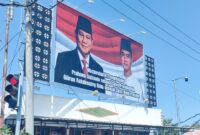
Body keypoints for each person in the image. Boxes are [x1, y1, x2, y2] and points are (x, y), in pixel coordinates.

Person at [54, 16, 104, 93]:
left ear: (92, 41)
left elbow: (101, 95)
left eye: (88, 37)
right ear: (76, 35)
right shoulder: (64, 58)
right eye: (81, 35)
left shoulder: (98, 69)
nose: (84, 41)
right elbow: (58, 86)